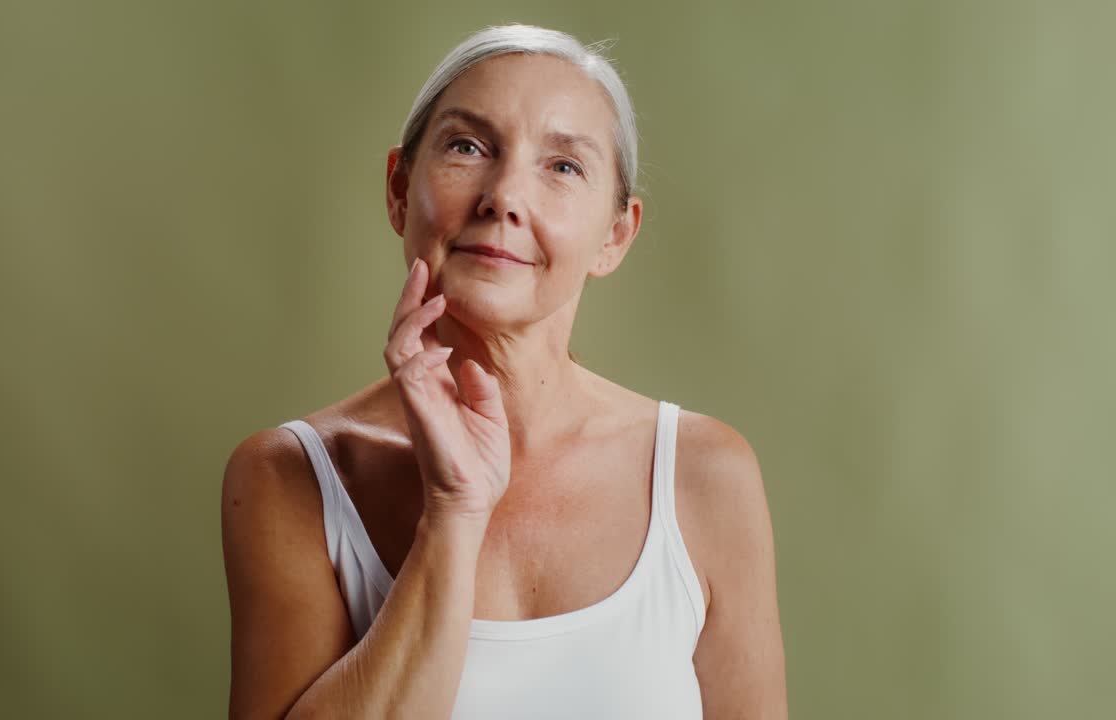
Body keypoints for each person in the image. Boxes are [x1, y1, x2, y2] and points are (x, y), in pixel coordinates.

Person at [221, 23, 787, 719]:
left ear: (615, 235)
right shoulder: (290, 477)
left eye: (564, 166)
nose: (505, 197)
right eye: (467, 146)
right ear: (398, 190)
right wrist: (454, 512)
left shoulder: (706, 476)